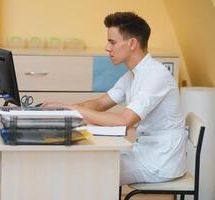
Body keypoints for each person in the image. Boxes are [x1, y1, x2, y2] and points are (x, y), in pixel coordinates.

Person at [42, 12, 187, 185]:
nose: (107, 47)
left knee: (86, 174)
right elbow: (99, 104)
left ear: (132, 43)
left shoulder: (155, 75)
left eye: (112, 42)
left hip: (159, 161)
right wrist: (61, 110)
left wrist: (72, 109)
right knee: (83, 162)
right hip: (144, 151)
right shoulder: (133, 75)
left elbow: (124, 121)